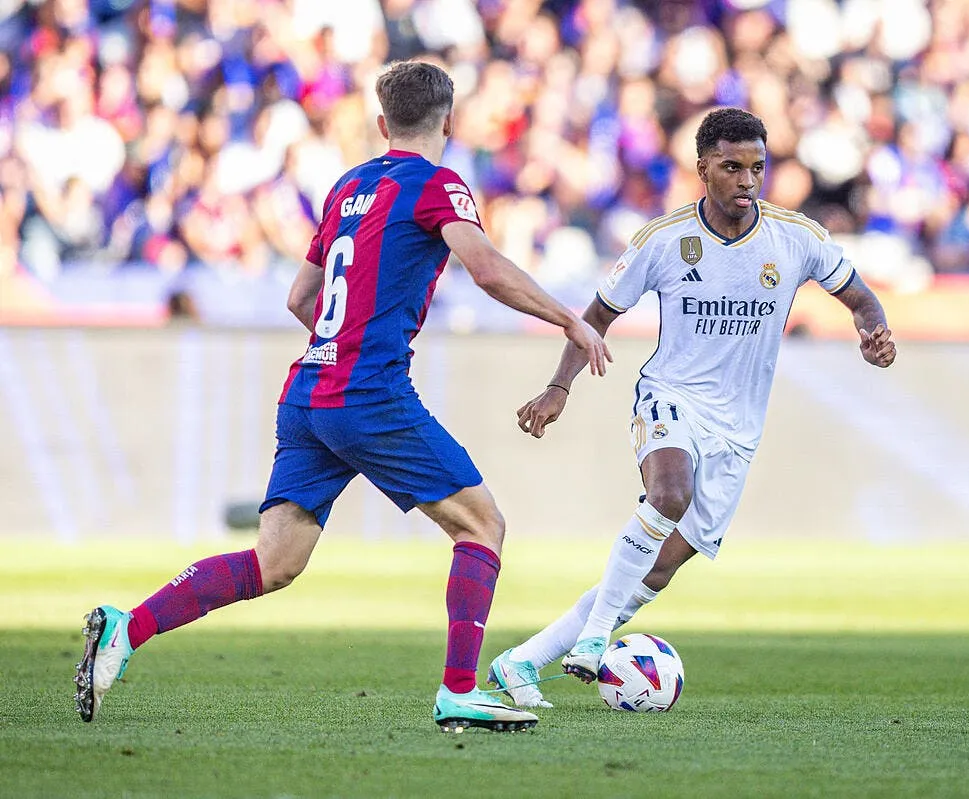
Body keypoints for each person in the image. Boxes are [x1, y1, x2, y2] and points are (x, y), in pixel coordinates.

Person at [73, 60, 612, 733]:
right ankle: (459, 690)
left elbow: (300, 297)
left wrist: (341, 346)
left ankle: (128, 627)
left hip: (308, 390)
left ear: (383, 124)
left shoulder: (347, 186)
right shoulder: (439, 184)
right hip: (369, 392)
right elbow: (485, 268)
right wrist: (569, 319)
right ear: (448, 122)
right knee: (482, 526)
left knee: (274, 562)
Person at [487, 108, 897, 708]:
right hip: (670, 396)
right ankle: (596, 638)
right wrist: (559, 387)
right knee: (669, 494)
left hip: (738, 430)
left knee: (654, 572)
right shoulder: (663, 240)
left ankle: (521, 661)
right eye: (731, 167)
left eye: (757, 168)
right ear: (703, 168)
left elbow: (861, 299)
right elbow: (596, 316)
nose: (747, 181)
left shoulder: (796, 238)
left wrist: (874, 332)